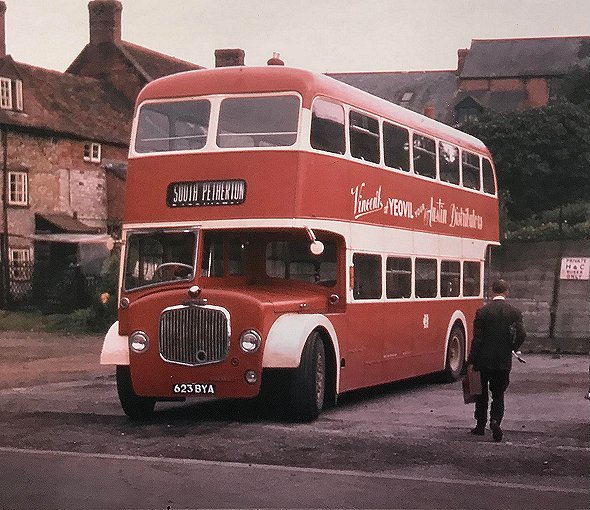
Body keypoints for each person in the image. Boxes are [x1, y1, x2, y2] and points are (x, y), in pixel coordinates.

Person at [466, 279, 527, 441]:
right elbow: (522, 333)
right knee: (498, 393)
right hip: (503, 360)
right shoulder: (514, 312)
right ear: (507, 292)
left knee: (481, 394)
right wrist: (512, 347)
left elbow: (477, 339)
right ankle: (495, 421)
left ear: (492, 291)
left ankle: (480, 425)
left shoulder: (482, 312)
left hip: (483, 360)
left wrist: (472, 359)